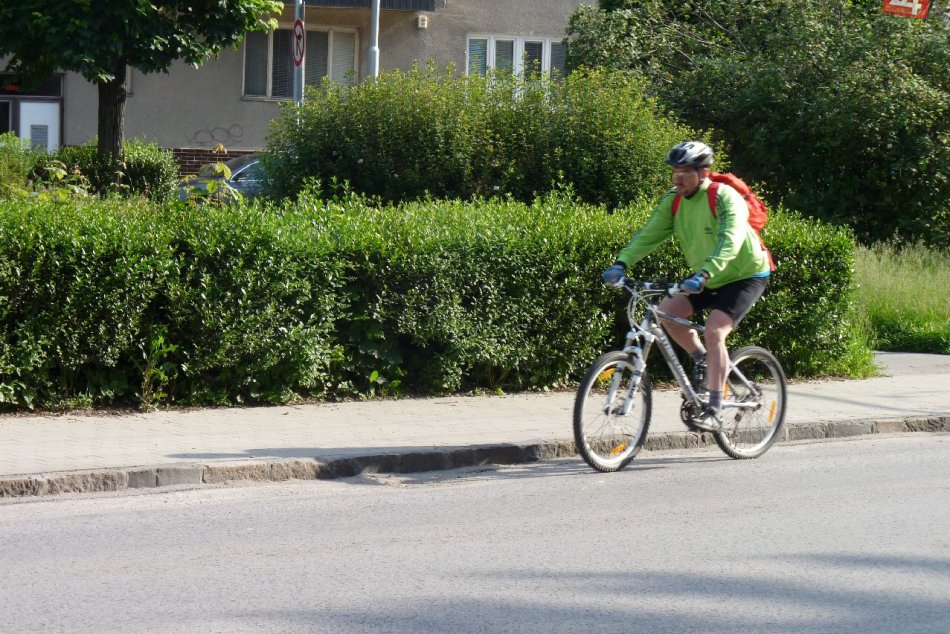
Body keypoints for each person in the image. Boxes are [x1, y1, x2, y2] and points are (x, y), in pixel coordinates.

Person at [601, 141, 772, 424]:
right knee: (667, 313)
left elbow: (730, 240)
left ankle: (714, 410)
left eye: (685, 172)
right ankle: (703, 358)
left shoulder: (725, 197)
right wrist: (622, 263)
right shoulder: (675, 199)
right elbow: (649, 234)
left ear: (703, 172)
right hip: (705, 276)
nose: (678, 178)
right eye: (675, 172)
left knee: (715, 330)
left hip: (745, 274)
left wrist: (704, 274)